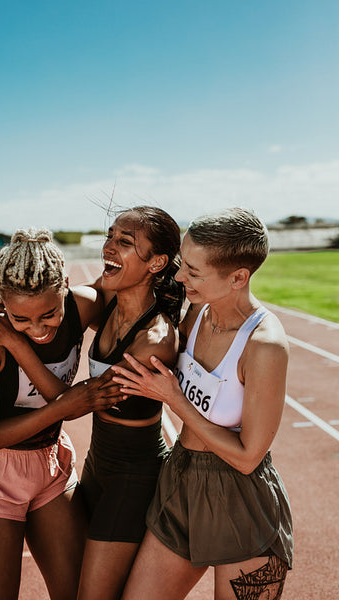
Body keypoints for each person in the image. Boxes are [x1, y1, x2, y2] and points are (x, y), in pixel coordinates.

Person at [112, 207, 293, 600]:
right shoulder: (195, 314)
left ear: (238, 278)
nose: (179, 277)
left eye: (193, 272)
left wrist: (176, 400)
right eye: (183, 264)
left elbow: (247, 457)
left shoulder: (264, 347)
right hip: (181, 479)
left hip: (240, 496)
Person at [0, 227, 123, 600]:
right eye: (20, 319)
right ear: (0, 299)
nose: (38, 329)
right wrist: (62, 407)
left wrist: (19, 344)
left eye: (49, 314)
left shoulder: (83, 305)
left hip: (52, 465)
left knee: (81, 594)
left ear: (67, 286)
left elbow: (127, 304)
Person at [76, 206, 184, 600]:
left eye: (125, 242)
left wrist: (14, 340)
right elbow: (57, 303)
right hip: (97, 462)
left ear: (156, 263)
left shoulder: (155, 338)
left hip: (133, 476)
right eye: (110, 236)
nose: (109, 246)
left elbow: (89, 397)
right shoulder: (109, 299)